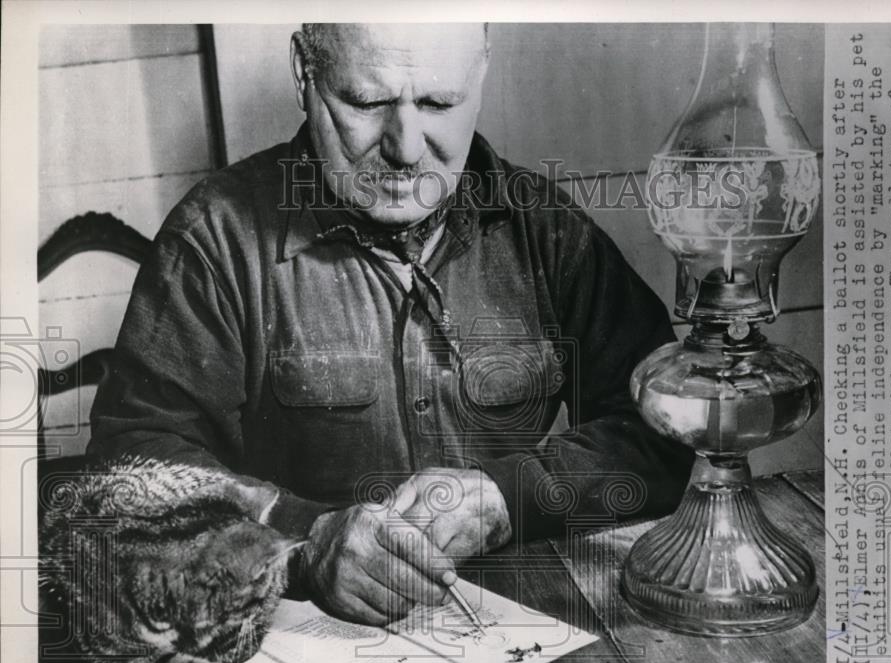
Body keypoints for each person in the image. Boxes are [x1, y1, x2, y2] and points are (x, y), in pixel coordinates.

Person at [88, 23, 692, 626]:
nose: (406, 148)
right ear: (305, 73)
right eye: (368, 102)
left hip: (514, 639)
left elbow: (665, 427)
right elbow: (133, 466)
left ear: (479, 77)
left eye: (439, 103)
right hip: (306, 657)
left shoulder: (545, 231)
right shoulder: (215, 240)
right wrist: (299, 542)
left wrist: (511, 497)